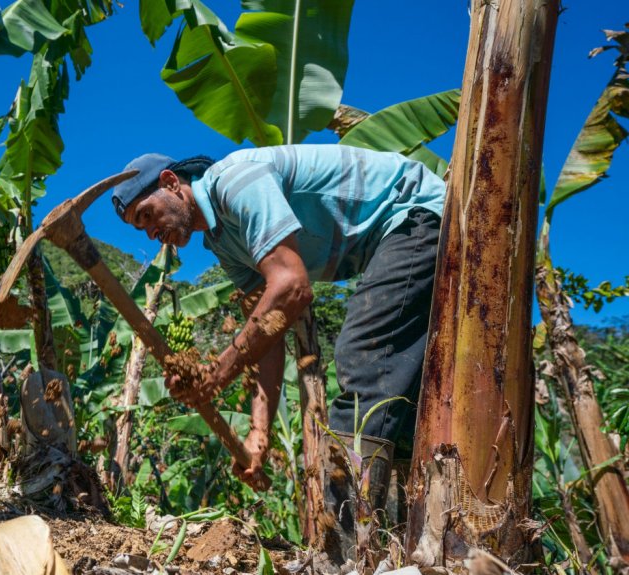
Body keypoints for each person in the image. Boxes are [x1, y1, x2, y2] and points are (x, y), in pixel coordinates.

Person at [110, 145, 443, 539]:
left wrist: (216, 374)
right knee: (404, 403)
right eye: (140, 228)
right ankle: (398, 541)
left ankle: (346, 549)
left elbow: (291, 288)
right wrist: (259, 434)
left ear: (171, 183)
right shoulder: (223, 243)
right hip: (394, 240)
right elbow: (268, 331)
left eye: (147, 215)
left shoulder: (236, 182)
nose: (151, 231)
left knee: (362, 357)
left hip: (416, 215)